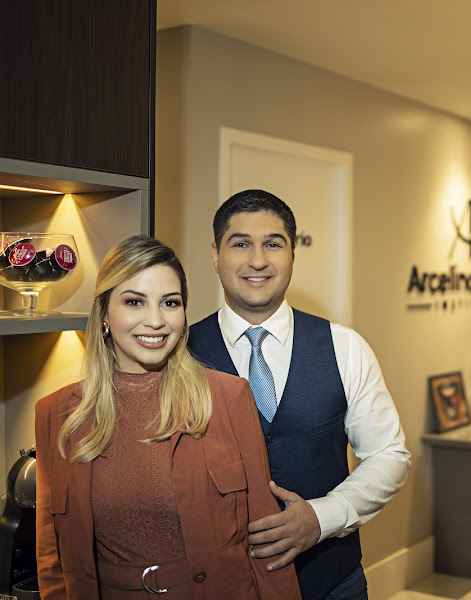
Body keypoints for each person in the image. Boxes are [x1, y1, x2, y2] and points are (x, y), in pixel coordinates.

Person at [35, 235, 301, 600]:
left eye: (170, 303)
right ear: (104, 314)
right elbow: (52, 553)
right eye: (134, 302)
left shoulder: (228, 397)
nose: (156, 321)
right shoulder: (57, 413)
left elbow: (265, 539)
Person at [188, 189, 411, 600]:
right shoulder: (178, 355)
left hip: (333, 583)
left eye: (273, 244)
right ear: (216, 255)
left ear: (293, 254)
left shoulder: (344, 346)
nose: (258, 260)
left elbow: (388, 455)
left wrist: (322, 517)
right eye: (241, 244)